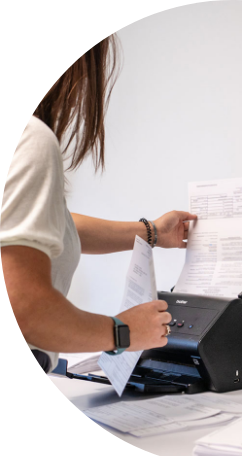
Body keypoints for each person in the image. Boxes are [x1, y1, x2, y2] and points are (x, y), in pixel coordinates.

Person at [0, 34, 197, 374]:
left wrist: (152, 232)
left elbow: (42, 224)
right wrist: (123, 332)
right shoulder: (31, 139)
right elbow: (25, 312)